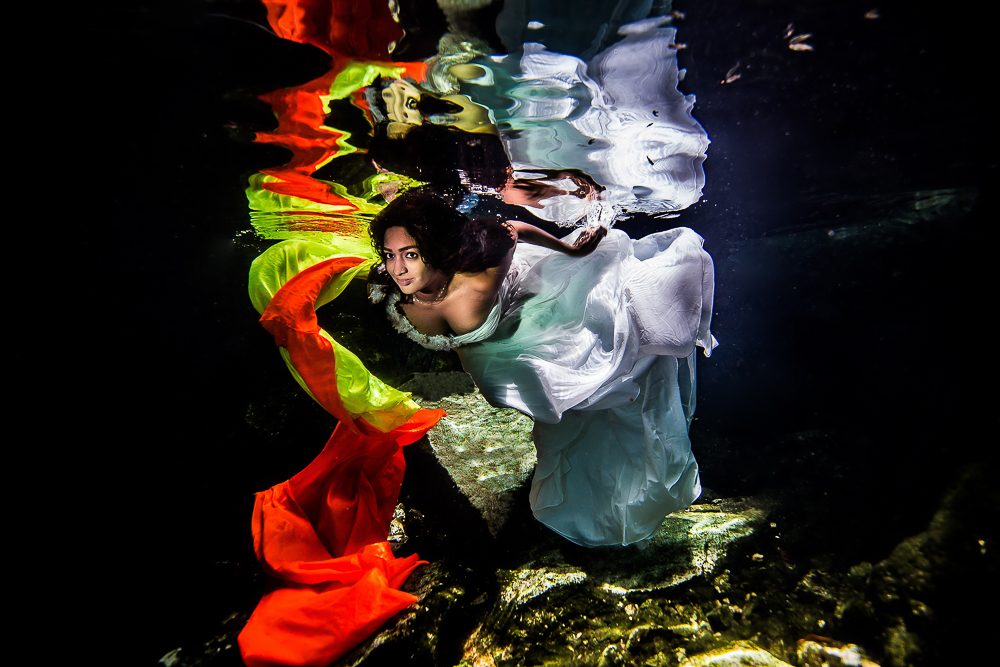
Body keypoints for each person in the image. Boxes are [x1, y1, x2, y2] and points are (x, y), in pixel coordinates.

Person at [368, 190, 717, 547]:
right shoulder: (392, 287)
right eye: (390, 255)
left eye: (410, 255)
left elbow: (512, 229)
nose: (398, 269)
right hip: (486, 357)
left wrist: (572, 251)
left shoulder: (479, 274)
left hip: (528, 325)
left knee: (599, 365)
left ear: (435, 248)